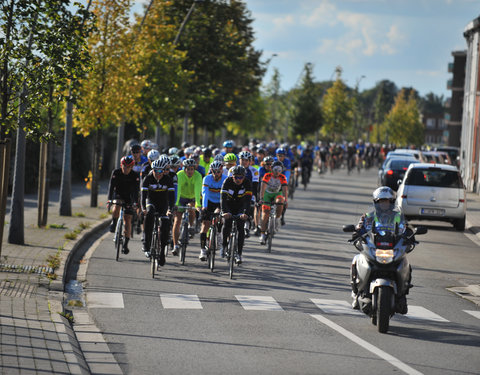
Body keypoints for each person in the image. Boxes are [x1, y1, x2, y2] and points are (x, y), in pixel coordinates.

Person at [351, 186, 411, 314]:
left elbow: (406, 229)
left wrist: (411, 235)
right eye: (381, 201)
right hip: (375, 247)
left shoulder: (398, 217)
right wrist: (356, 233)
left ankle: (402, 294)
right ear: (376, 202)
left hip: (391, 248)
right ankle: (356, 292)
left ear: (392, 202)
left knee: (406, 263)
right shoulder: (368, 216)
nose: (384, 204)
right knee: (356, 259)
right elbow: (359, 228)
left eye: (387, 201)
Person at [141, 157, 175, 264]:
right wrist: (143, 208)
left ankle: (162, 253)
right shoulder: (147, 178)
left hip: (163, 203)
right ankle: (147, 245)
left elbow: (171, 197)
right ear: (153, 170)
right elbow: (143, 196)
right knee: (149, 214)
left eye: (161, 170)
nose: (159, 173)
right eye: (156, 170)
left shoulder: (168, 179)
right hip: (151, 201)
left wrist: (170, 209)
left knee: (165, 224)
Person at [107, 155, 140, 254]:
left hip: (129, 197)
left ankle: (125, 244)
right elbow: (111, 187)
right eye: (124, 166)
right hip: (118, 194)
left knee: (128, 219)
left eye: (128, 167)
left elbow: (135, 191)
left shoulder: (135, 175)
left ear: (132, 167)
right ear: (121, 165)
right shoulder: (116, 172)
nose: (126, 169)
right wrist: (109, 200)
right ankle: (114, 221)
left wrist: (135, 203)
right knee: (116, 205)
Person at [220, 165, 252, 264]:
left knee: (240, 227)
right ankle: (224, 245)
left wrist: (245, 213)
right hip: (228, 205)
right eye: (236, 177)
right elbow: (223, 199)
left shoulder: (247, 183)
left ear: (244, 177)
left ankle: (239, 254)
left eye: (240, 177)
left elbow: (248, 201)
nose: (238, 179)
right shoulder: (227, 182)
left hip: (240, 206)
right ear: (232, 176)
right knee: (226, 224)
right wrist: (224, 211)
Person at [172, 158, 202, 255]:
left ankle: (191, 225)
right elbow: (178, 190)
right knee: (177, 220)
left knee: (191, 209)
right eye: (188, 169)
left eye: (192, 169)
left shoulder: (198, 176)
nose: (190, 171)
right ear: (184, 169)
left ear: (194, 169)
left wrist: (198, 205)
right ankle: (175, 245)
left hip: (192, 198)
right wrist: (176, 204)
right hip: (180, 198)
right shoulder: (179, 175)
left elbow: (198, 191)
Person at [199, 160, 227, 260]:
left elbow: (225, 196)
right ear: (211, 171)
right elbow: (205, 194)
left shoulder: (225, 179)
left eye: (218, 172)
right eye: (214, 171)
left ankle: (219, 233)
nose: (216, 174)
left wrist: (223, 208)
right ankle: (202, 250)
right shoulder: (207, 179)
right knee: (204, 226)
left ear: (222, 171)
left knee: (219, 215)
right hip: (209, 202)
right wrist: (204, 207)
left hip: (220, 202)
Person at [258, 161, 288, 245]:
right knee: (265, 214)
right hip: (267, 194)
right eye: (275, 169)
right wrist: (261, 198)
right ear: (271, 169)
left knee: (280, 201)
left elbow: (285, 189)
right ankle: (262, 235)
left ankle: (277, 218)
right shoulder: (267, 175)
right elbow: (263, 187)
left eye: (279, 170)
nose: (277, 172)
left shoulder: (282, 177)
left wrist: (286, 200)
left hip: (277, 194)